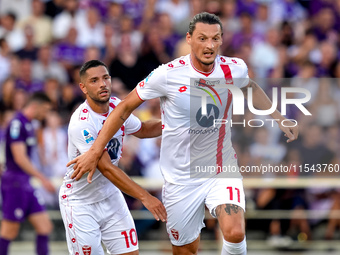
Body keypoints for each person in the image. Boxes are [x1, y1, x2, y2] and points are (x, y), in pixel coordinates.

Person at [69, 13, 299, 255]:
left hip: (220, 167)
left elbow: (250, 86)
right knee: (186, 250)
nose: (209, 45)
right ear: (189, 39)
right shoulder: (167, 74)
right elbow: (124, 107)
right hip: (180, 179)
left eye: (215, 38)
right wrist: (96, 150)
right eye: (202, 38)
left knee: (234, 232)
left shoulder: (235, 68)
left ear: (221, 40)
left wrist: (279, 118)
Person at [60, 60, 166, 255]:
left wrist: (177, 123)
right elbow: (106, 168)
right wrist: (146, 197)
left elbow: (142, 129)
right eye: (94, 80)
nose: (102, 84)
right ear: (83, 87)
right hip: (81, 202)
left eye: (105, 78)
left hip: (110, 196)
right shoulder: (81, 123)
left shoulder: (117, 106)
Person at [0, 92, 55, 255]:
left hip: (25, 182)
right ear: (35, 106)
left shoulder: (29, 125)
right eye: (45, 110)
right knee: (9, 231)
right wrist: (43, 179)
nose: (45, 115)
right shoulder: (17, 123)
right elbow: (19, 157)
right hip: (15, 183)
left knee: (45, 226)